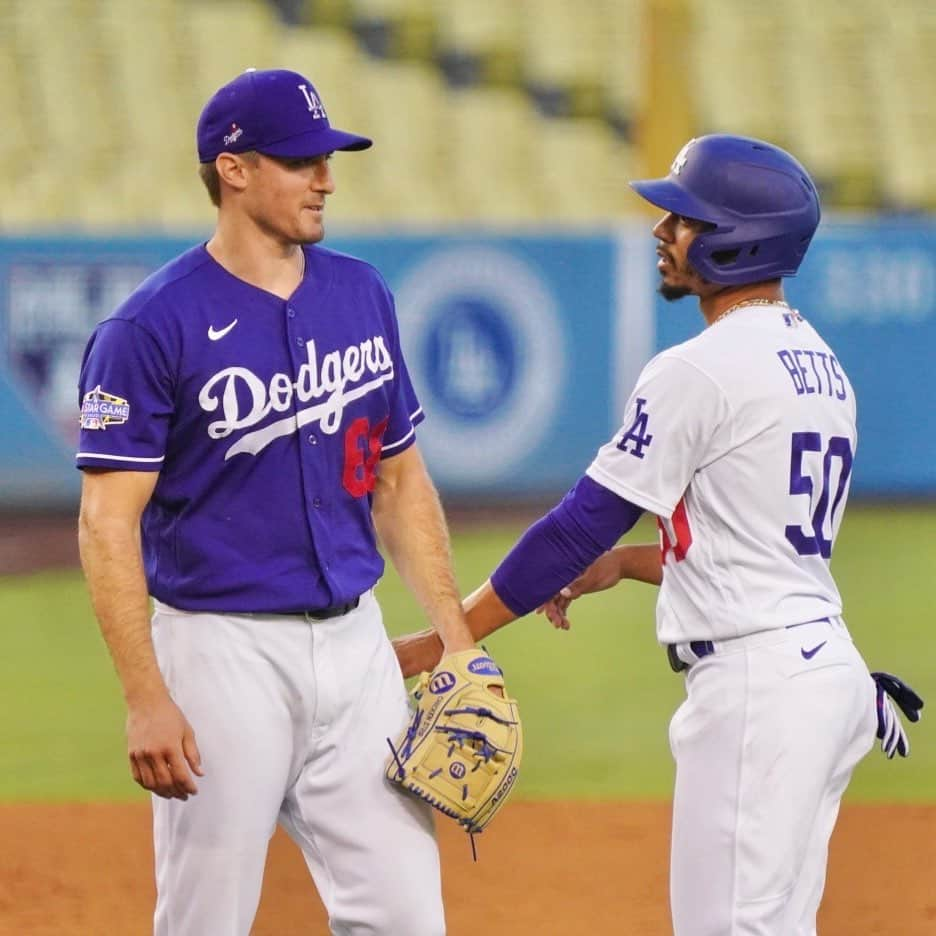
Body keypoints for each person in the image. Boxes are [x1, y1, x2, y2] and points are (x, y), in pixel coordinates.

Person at [393, 134, 921, 935]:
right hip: (822, 671)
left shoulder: (701, 368)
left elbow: (576, 525)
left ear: (735, 240)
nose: (661, 232)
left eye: (682, 218)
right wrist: (627, 566)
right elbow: (756, 549)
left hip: (760, 689)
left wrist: (446, 641)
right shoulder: (822, 364)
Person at [76, 67, 476, 936]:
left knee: (408, 916)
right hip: (222, 653)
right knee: (205, 918)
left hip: (357, 645)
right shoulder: (150, 327)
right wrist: (145, 693)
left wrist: (456, 634)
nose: (326, 178)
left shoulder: (361, 294)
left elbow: (400, 480)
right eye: (301, 161)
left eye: (327, 158)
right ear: (235, 169)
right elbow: (108, 520)